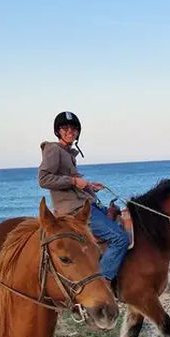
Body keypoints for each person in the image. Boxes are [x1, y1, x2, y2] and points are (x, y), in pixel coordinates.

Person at [38, 111, 128, 288]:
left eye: (73, 128)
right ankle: (101, 285)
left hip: (85, 205)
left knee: (121, 221)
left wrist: (88, 186)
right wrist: (74, 180)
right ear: (58, 131)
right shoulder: (53, 149)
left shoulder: (67, 153)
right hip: (75, 212)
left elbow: (72, 185)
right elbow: (44, 179)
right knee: (120, 239)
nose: (70, 131)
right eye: (65, 128)